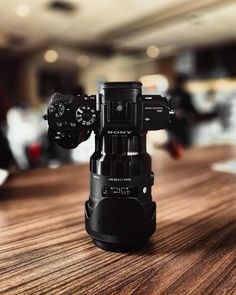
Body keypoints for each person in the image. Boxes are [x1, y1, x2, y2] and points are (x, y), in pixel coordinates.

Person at [167, 74, 216, 148]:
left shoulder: (170, 93)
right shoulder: (184, 94)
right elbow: (191, 109)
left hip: (171, 123)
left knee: (173, 141)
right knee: (183, 143)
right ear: (182, 83)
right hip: (181, 124)